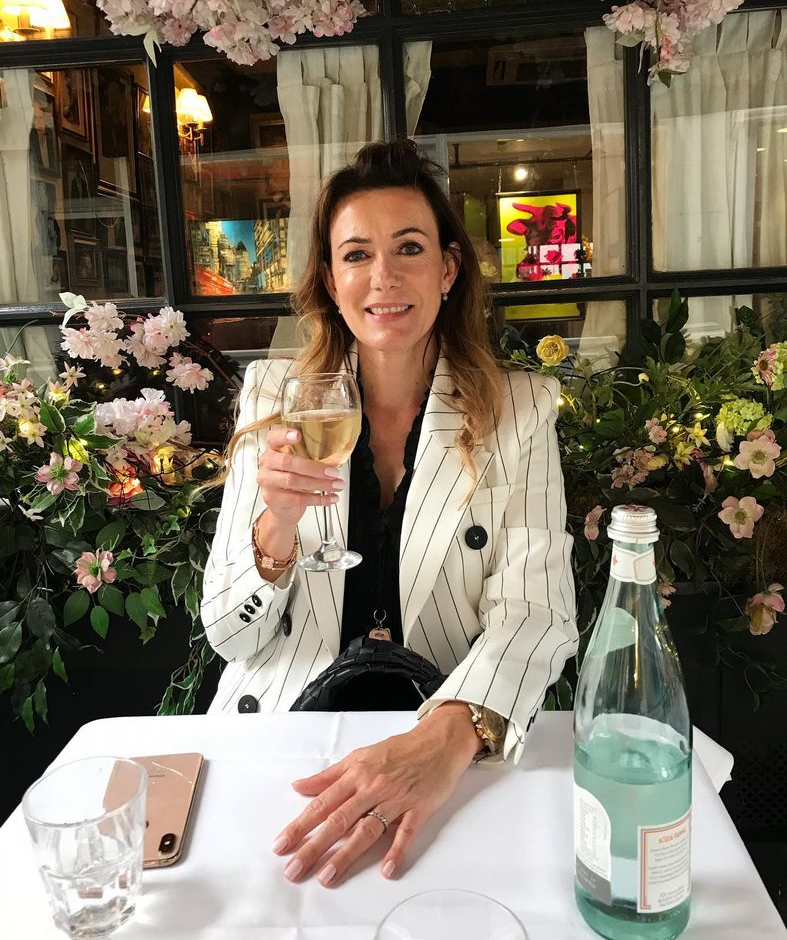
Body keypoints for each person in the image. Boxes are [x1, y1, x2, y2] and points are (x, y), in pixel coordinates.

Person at [201, 140, 577, 889]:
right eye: (356, 255)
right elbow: (227, 631)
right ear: (330, 280)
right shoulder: (277, 400)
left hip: (441, 733)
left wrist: (449, 733)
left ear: (447, 268)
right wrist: (273, 529)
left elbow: (536, 614)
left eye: (408, 248)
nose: (384, 278)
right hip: (285, 740)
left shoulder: (519, 409)